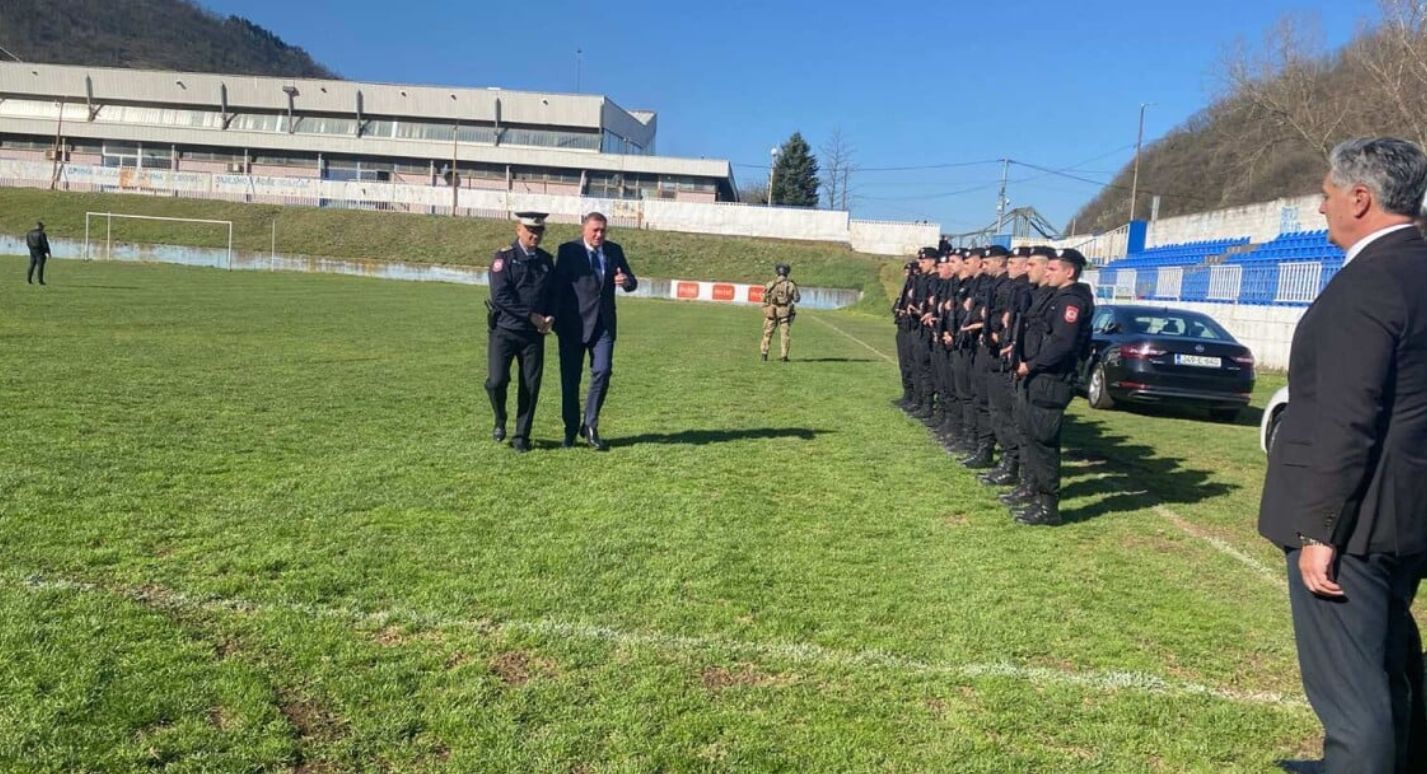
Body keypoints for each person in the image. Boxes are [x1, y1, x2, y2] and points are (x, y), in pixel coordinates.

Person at [1258, 137, 1427, 774]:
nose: (1319, 204)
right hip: (1403, 512)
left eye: (1327, 193)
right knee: (1386, 664)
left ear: (1361, 197)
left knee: (1352, 696)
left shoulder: (1371, 282)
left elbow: (1345, 418)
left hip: (1355, 523)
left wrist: (1319, 530)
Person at [1011, 247, 1093, 527]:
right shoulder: (1057, 298)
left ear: (1069, 272)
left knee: (1044, 443)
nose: (1047, 272)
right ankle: (1037, 497)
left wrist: (1031, 365)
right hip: (1041, 377)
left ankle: (1049, 508)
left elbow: (1062, 344)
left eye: (1053, 269)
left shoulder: (1072, 302)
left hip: (1052, 379)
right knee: (1033, 438)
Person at [554, 211, 638, 451]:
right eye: (595, 230)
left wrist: (627, 281)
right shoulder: (568, 251)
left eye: (603, 230)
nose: (599, 234)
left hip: (603, 325)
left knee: (602, 371)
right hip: (573, 326)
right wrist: (555, 320)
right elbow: (558, 288)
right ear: (584, 229)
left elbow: (631, 280)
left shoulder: (614, 250)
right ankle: (570, 430)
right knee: (570, 381)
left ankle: (590, 425)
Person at [485, 212, 556, 453]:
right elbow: (501, 296)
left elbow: (553, 295)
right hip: (504, 331)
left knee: (530, 386)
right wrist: (531, 315)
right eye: (530, 230)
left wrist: (551, 316)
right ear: (519, 230)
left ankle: (521, 436)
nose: (535, 235)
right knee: (496, 382)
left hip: (533, 336)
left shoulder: (546, 260)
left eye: (539, 231)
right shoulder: (504, 257)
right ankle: (500, 417)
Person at [980, 246, 1033, 487]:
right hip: (998, 352)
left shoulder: (1022, 289)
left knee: (1006, 414)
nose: (1011, 267)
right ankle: (1007, 461)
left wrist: (1000, 335)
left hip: (1009, 357)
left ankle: (1012, 465)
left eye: (1014, 263)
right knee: (997, 410)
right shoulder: (1009, 287)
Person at [892, 259, 919, 408]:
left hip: (910, 327)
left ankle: (914, 397)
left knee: (912, 364)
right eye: (906, 271)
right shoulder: (906, 287)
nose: (908, 274)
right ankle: (908, 394)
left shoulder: (916, 287)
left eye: (911, 271)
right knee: (904, 363)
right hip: (902, 326)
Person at [760, 263, 801, 361]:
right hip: (785, 312)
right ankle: (784, 356)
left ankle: (764, 355)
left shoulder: (770, 284)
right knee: (785, 335)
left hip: (772, 312)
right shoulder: (791, 285)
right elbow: (797, 299)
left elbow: (764, 298)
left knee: (767, 334)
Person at [26, 221, 51, 286]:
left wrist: (31, 249)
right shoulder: (42, 234)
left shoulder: (29, 233)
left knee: (31, 265)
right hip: (40, 251)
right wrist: (48, 252)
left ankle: (29, 280)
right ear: (40, 227)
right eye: (42, 226)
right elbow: (45, 244)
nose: (43, 228)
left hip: (32, 251)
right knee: (40, 267)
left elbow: (28, 243)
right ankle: (40, 281)